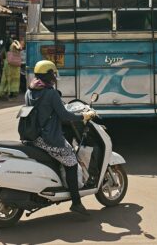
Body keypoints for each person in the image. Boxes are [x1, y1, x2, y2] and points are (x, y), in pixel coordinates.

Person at [25, 60, 96, 216]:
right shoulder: (50, 93)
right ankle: (76, 202)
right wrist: (83, 116)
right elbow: (64, 115)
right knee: (71, 162)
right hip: (49, 139)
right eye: (53, 74)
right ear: (49, 75)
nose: (55, 77)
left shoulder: (30, 91)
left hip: (34, 137)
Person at [0, 35, 22, 100]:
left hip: (7, 63)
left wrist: (3, 61)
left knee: (5, 79)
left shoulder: (5, 47)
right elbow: (20, 48)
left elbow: (1, 55)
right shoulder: (14, 44)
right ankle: (11, 93)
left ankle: (2, 93)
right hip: (13, 64)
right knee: (13, 79)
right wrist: (17, 42)